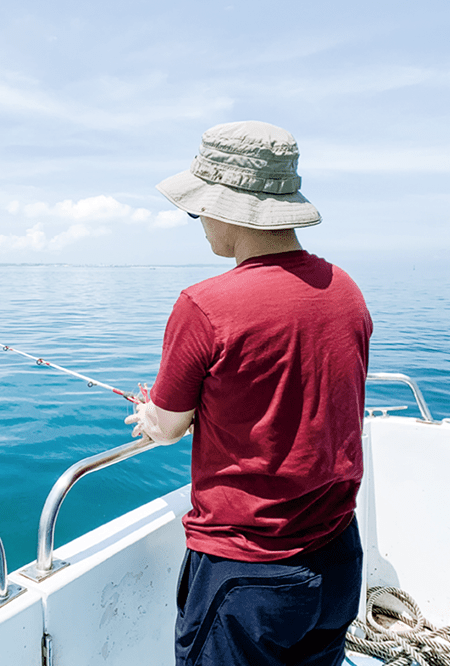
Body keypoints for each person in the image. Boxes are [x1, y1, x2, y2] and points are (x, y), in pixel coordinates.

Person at [126, 121, 372, 666]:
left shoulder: (205, 305)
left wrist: (148, 413)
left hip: (247, 574)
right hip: (335, 556)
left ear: (228, 208)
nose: (199, 223)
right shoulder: (346, 290)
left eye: (197, 209)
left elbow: (166, 427)